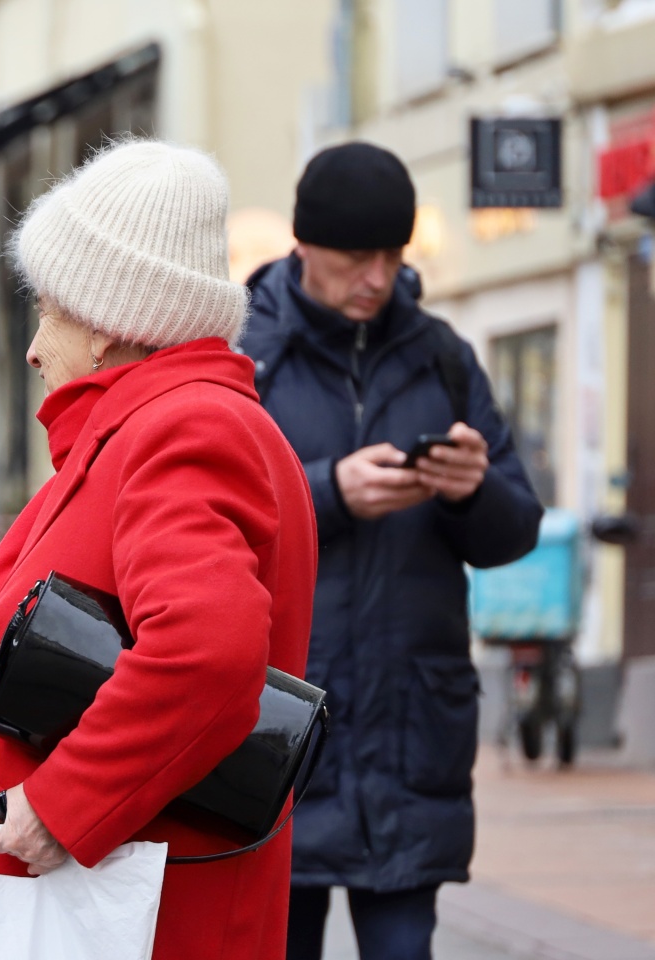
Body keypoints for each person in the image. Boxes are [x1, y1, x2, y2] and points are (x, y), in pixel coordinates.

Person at [0, 140, 318, 959]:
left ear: (112, 323)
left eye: (50, 309)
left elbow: (207, 653)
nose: (34, 344)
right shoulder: (147, 429)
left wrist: (63, 806)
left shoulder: (184, 427)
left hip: (121, 916)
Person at [241, 142, 543, 960]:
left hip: (410, 739)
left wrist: (470, 489)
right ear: (304, 245)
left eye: (392, 256)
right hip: (277, 734)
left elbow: (516, 529)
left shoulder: (442, 356)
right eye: (354, 257)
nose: (376, 276)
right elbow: (200, 521)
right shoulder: (243, 359)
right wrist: (329, 495)